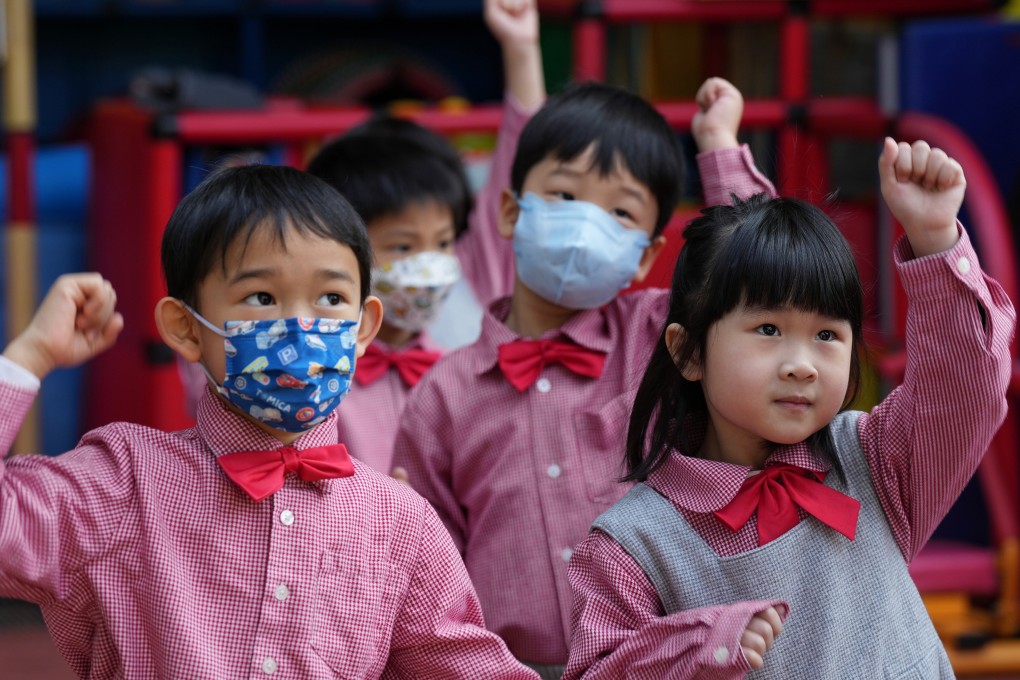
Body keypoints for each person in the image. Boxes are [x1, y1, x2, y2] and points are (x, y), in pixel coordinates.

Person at [0, 165, 539, 679]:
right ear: (187, 329)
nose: (301, 329)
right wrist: (28, 358)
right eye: (262, 297)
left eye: (331, 299)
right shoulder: (124, 482)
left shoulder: (401, 524)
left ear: (362, 325)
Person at [563, 139, 1015, 679]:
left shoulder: (869, 460)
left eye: (827, 334)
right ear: (688, 352)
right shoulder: (634, 544)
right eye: (769, 330)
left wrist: (936, 240)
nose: (802, 364)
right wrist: (698, 645)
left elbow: (964, 388)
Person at [392, 77, 775, 677]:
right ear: (511, 211)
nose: (586, 225)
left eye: (620, 210)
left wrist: (719, 145)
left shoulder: (660, 337)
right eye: (565, 195)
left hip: (665, 656)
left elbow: (753, 271)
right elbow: (426, 569)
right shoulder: (443, 395)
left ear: (646, 253)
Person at [177, 0, 546, 475]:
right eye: (402, 247)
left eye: (442, 242)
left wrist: (522, 50)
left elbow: (522, 171)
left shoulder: (477, 288)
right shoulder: (308, 362)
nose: (429, 264)